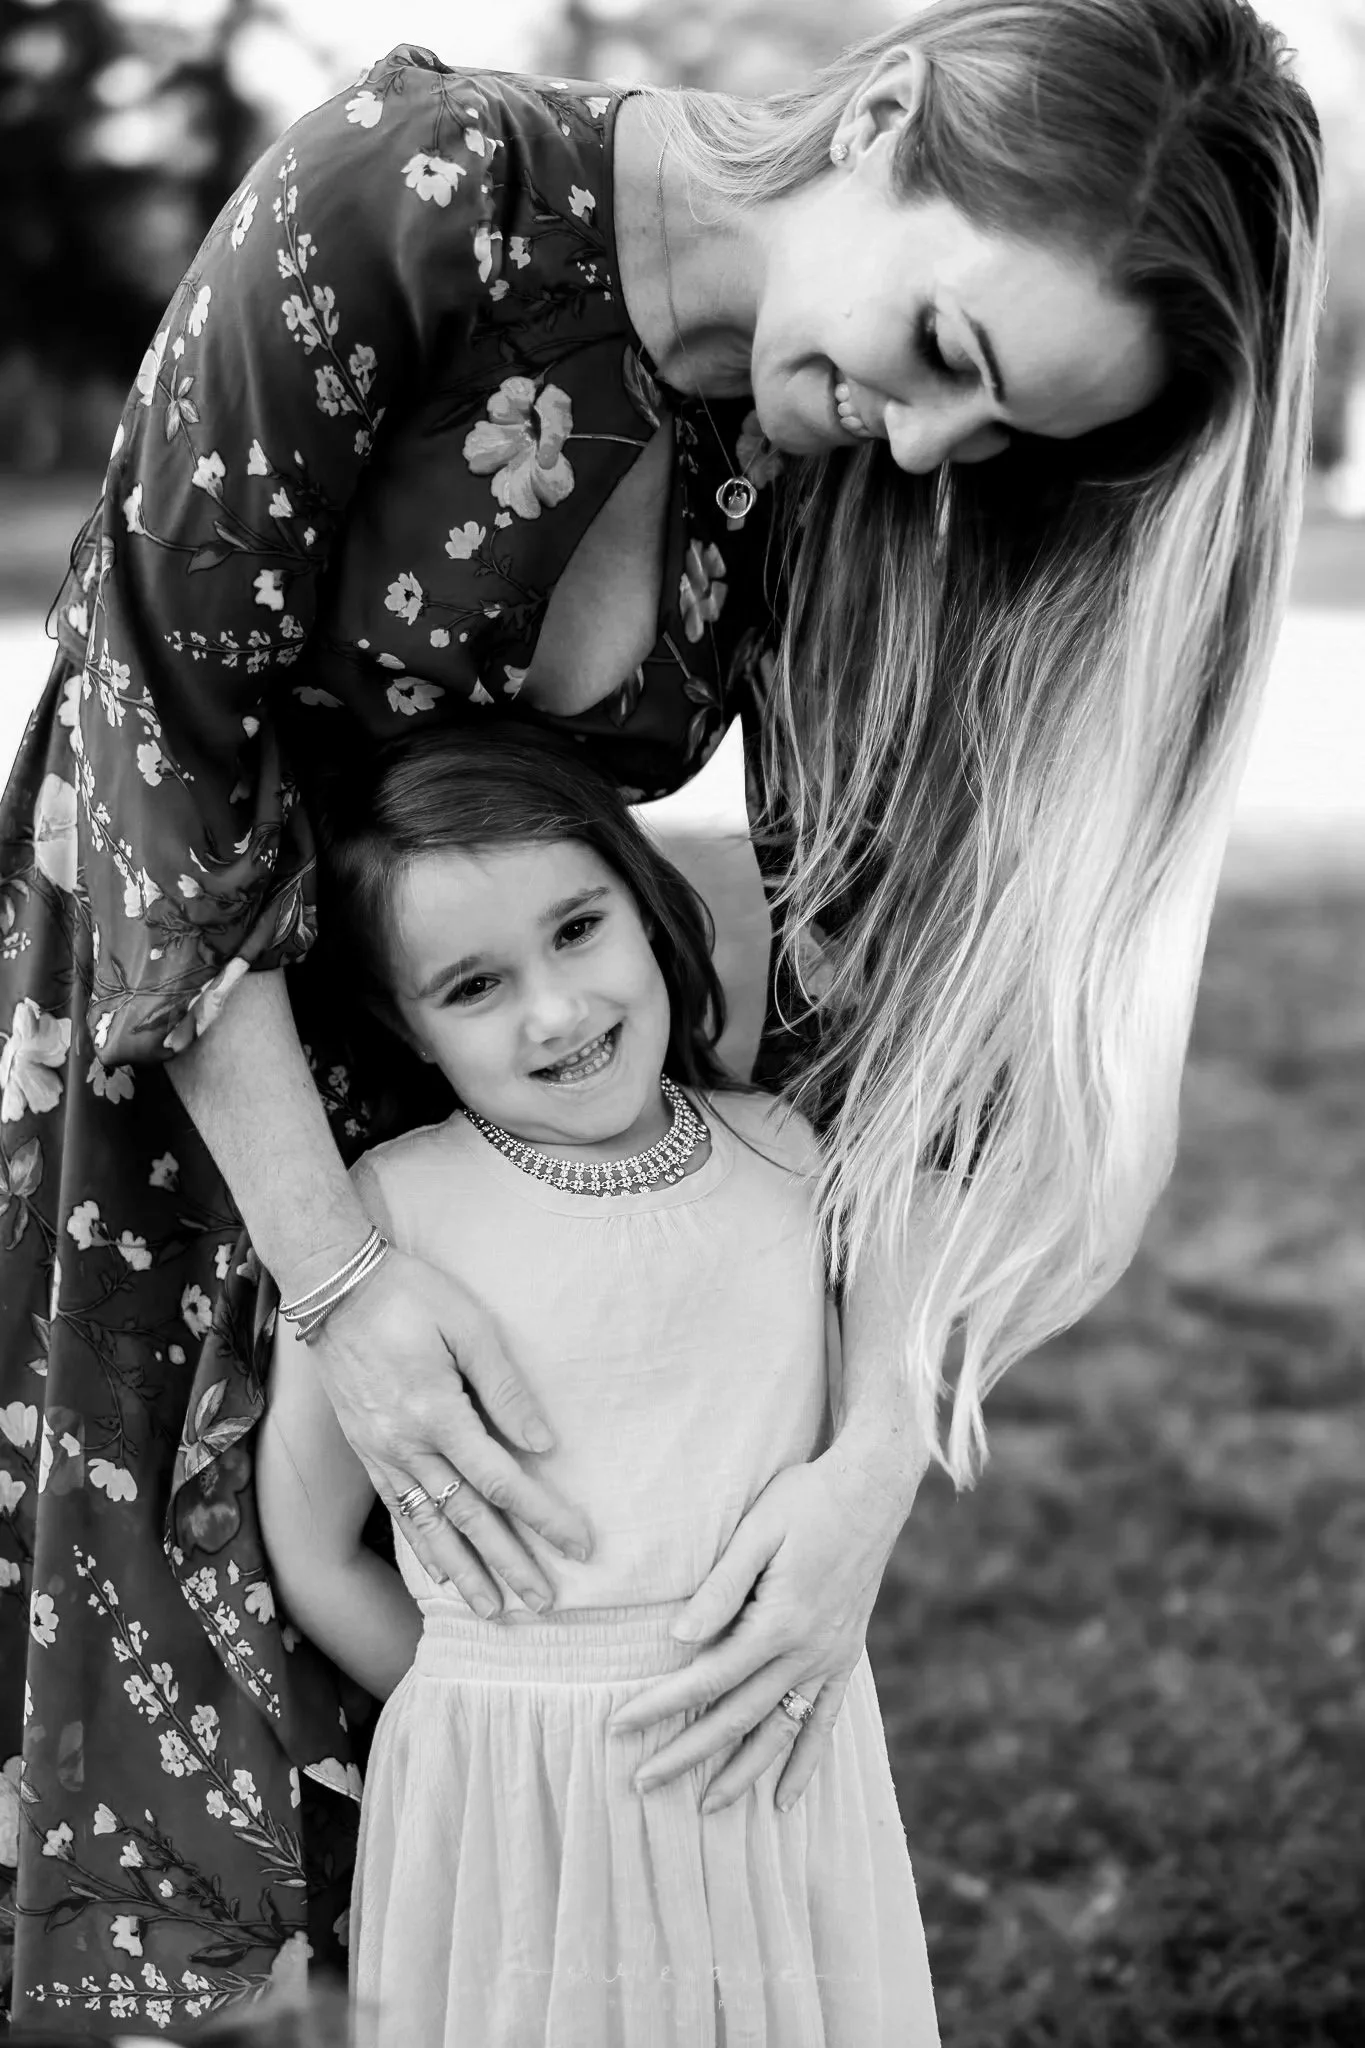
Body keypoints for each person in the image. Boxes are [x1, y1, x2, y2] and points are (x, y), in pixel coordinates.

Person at [0, 0, 1321, 2022]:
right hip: (180, 1083)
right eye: (953, 355)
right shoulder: (416, 195)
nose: (928, 443)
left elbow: (875, 970)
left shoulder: (817, 458)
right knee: (162, 1810)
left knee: (469, 1866)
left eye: (999, 437)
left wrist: (869, 1450)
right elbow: (150, 740)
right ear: (882, 114)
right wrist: (343, 1269)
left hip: (488, 1104)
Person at [257, 723, 938, 2044]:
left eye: (578, 929)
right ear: (407, 1023)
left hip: (769, 1762)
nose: (556, 1011)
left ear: (645, 898)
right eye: (473, 986)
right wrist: (488, 1715)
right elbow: (312, 1542)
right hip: (515, 1809)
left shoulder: (790, 1157)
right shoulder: (386, 1218)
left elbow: (881, 1397)